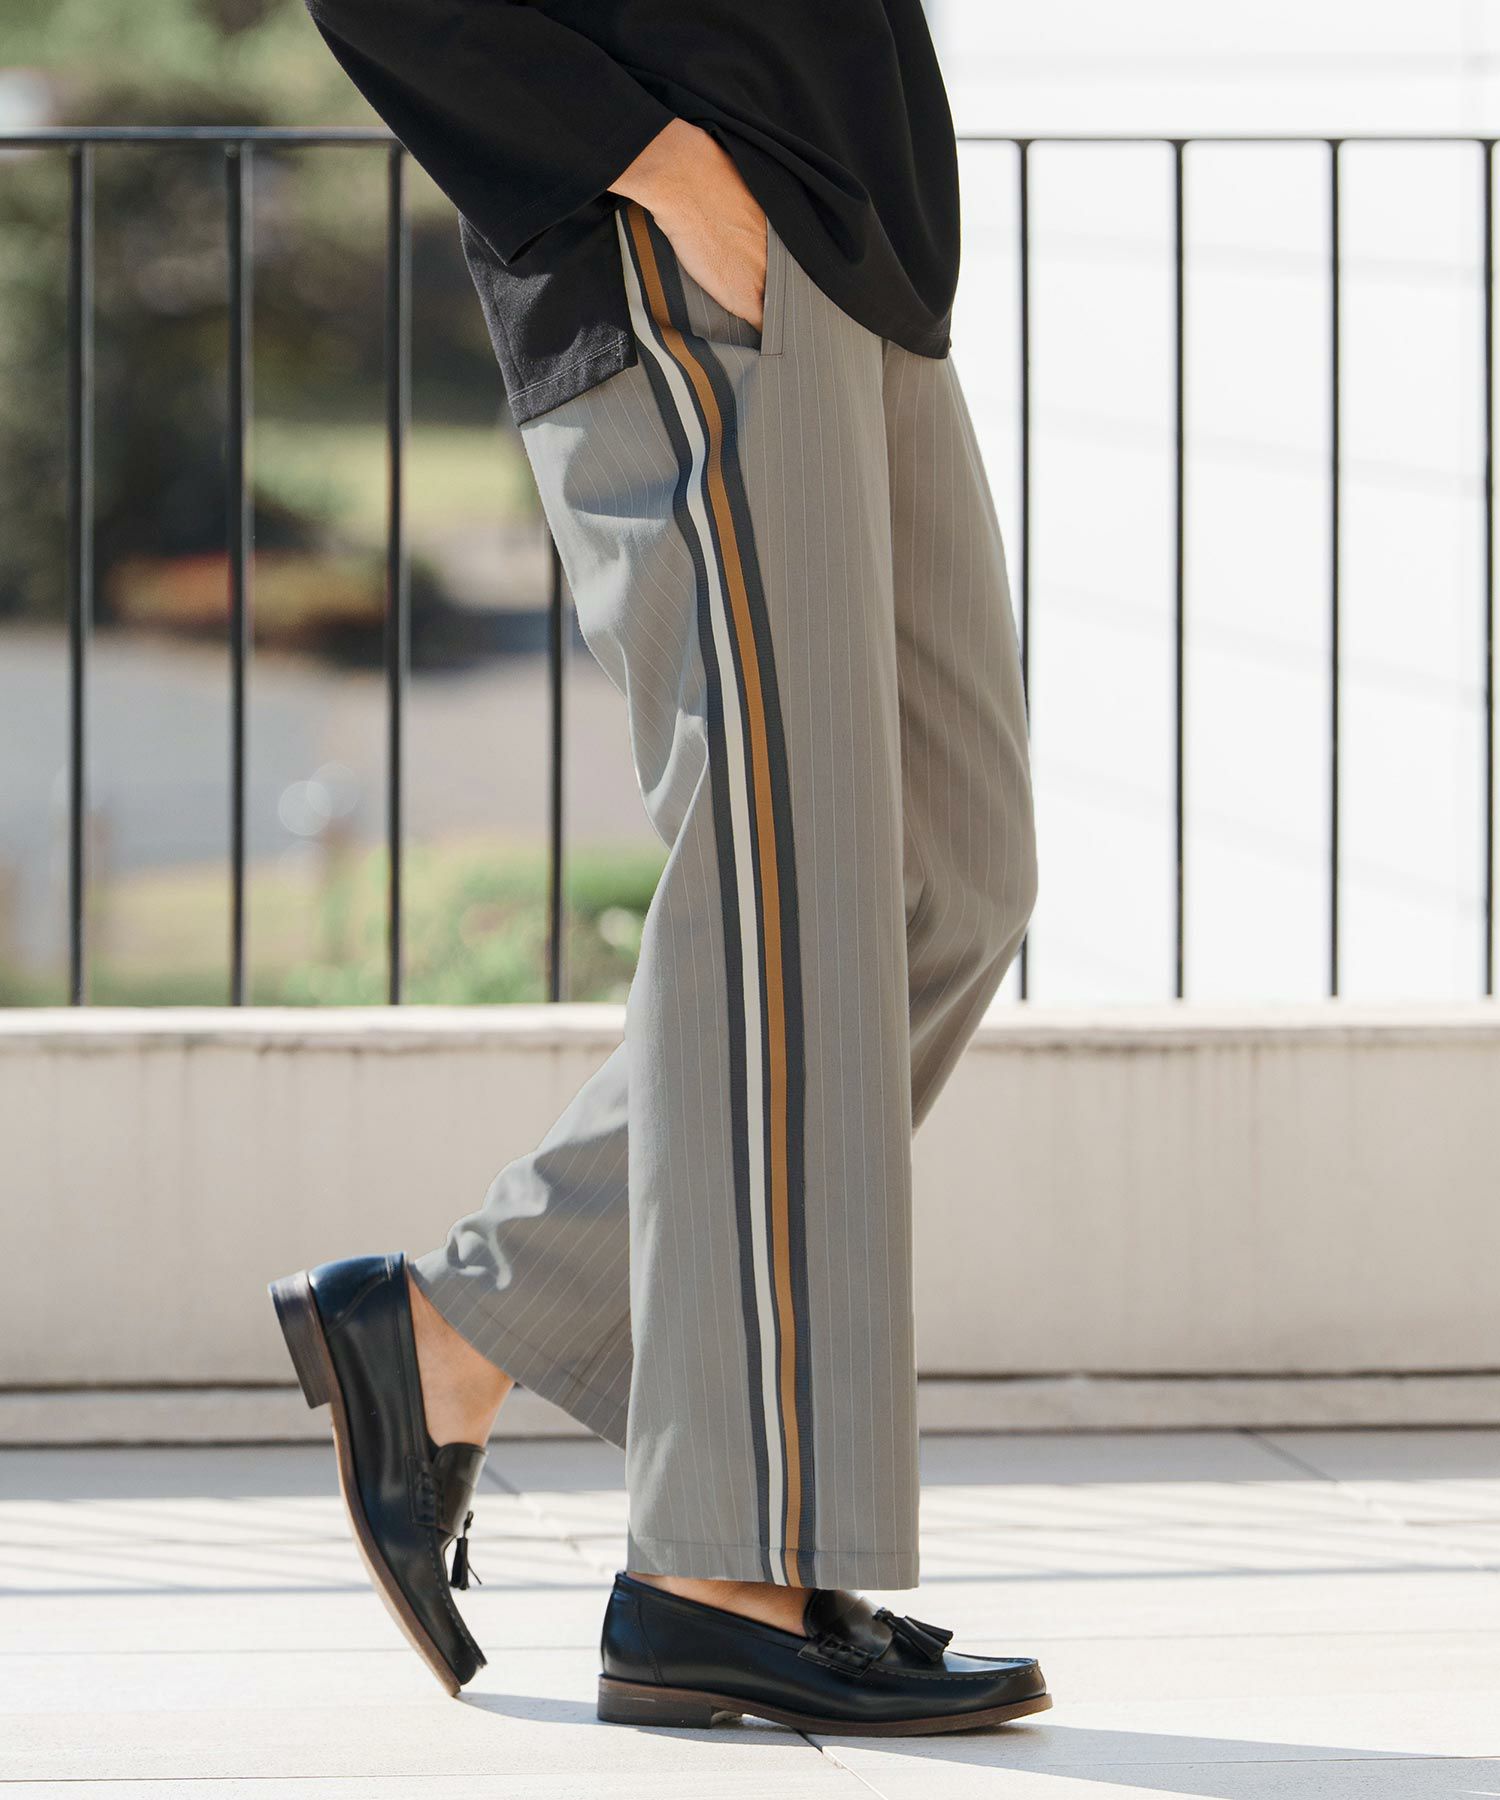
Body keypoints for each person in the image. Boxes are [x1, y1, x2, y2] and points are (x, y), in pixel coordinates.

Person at [270, 0, 1043, 1737]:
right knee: (788, 896)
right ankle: (722, 1571)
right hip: (685, 238)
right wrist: (658, 167)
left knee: (946, 883)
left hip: (856, 244)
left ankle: (456, 1329)